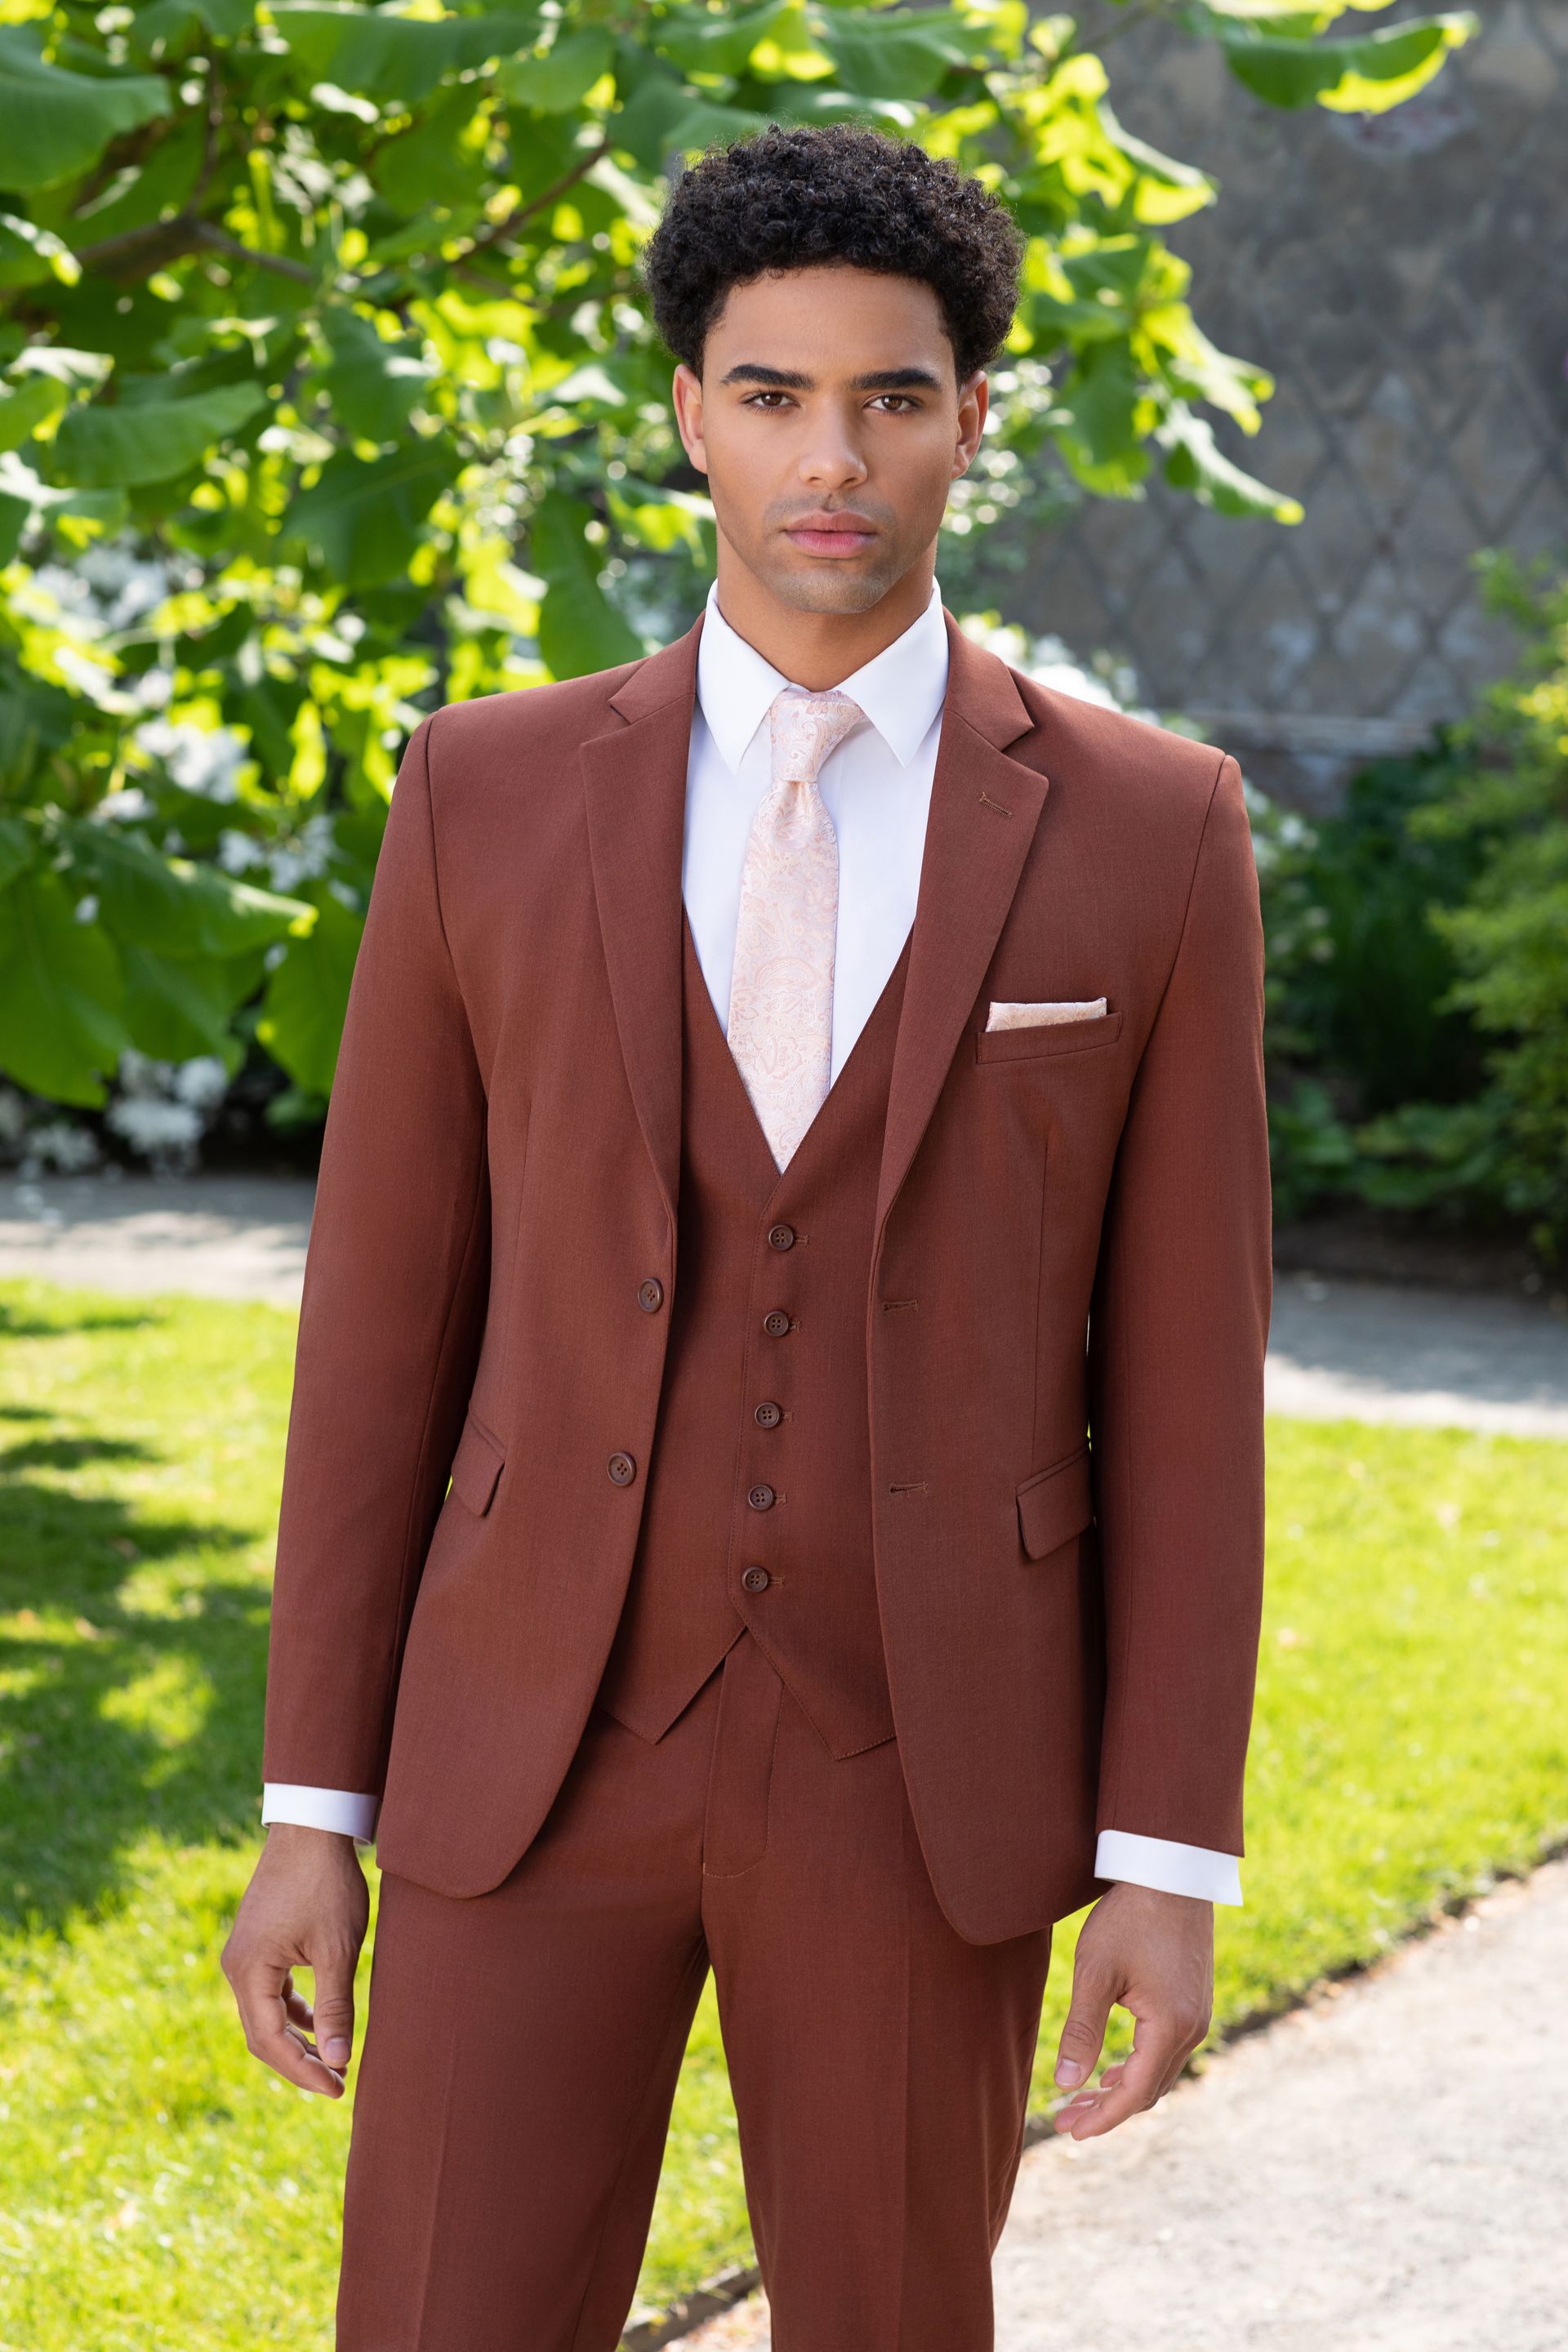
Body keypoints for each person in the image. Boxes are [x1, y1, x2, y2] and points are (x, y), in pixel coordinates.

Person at [221, 122, 1269, 2352]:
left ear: (973, 421)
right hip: (529, 1748)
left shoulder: (1150, 830)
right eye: (774, 393)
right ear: (690, 411)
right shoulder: (482, 793)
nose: (835, 456)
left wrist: (1170, 1859)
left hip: (924, 1765)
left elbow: (1186, 1388)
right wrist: (316, 1800)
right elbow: (383, 1333)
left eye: (894, 396)